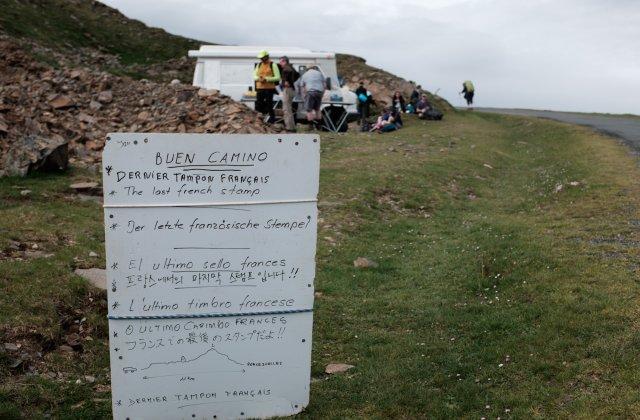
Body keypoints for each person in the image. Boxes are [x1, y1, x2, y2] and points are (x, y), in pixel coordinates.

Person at [253, 50, 281, 122]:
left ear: (266, 57)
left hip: (269, 88)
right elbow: (254, 76)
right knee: (259, 104)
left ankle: (272, 121)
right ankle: (259, 121)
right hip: (260, 88)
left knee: (269, 105)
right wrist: (259, 78)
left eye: (262, 58)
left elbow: (277, 77)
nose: (261, 59)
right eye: (260, 58)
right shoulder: (259, 65)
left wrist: (267, 79)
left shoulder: (273, 65)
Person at [299, 65, 326, 130]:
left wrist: (303, 96)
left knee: (309, 110)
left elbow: (302, 86)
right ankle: (319, 126)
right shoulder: (319, 73)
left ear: (307, 69)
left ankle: (310, 126)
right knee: (317, 109)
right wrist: (322, 94)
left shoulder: (305, 75)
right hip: (319, 92)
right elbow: (324, 85)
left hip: (310, 92)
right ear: (314, 68)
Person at [278, 56, 299, 132]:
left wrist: (286, 82)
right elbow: (298, 74)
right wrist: (292, 81)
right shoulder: (291, 67)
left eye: (281, 62)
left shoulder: (286, 69)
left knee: (286, 109)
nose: (280, 64)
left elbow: (285, 81)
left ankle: (289, 128)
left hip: (287, 90)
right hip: (292, 90)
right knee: (289, 108)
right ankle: (292, 127)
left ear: (284, 61)